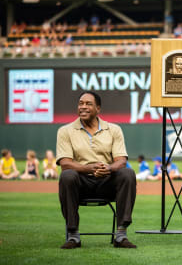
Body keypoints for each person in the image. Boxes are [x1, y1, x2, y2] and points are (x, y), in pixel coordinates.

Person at [56, 91, 136, 249]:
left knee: (127, 173)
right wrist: (88, 169)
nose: (83, 107)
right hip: (80, 184)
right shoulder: (65, 131)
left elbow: (121, 160)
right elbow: (65, 162)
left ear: (98, 108)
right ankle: (73, 236)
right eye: (80, 103)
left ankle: (120, 235)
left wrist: (108, 168)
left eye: (88, 104)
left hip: (107, 182)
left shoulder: (113, 129)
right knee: (67, 175)